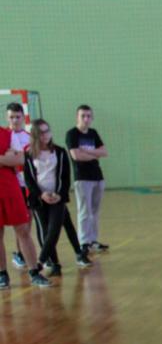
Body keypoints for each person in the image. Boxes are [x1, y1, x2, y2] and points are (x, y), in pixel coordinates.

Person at [24, 119, 91, 276]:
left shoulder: (60, 152)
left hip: (57, 197)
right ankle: (55, 263)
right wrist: (41, 194)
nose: (45, 135)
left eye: (47, 131)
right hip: (39, 199)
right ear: (35, 135)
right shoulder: (28, 154)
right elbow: (29, 179)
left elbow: (65, 177)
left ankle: (40, 262)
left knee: (55, 228)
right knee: (46, 230)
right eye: (41, 132)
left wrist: (59, 194)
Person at [0, 124, 51, 289]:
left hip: (10, 188)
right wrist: (5, 157)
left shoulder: (8, 134)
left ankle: (34, 272)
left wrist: (8, 159)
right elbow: (12, 158)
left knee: (23, 230)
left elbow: (20, 159)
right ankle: (2, 274)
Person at [66, 105, 109, 254]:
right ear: (77, 117)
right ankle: (84, 242)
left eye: (89, 116)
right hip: (82, 178)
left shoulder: (93, 133)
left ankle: (93, 240)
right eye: (83, 116)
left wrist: (87, 151)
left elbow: (104, 152)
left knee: (95, 211)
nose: (86, 119)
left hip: (98, 177)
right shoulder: (72, 134)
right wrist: (94, 154)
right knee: (85, 211)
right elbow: (76, 156)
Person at [6, 103, 37, 269]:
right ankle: (18, 254)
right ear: (7, 118)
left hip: (27, 184)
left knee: (27, 220)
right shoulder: (4, 137)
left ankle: (21, 253)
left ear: (23, 118)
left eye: (17, 117)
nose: (15, 120)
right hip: (11, 185)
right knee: (17, 222)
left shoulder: (30, 137)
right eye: (11, 117)